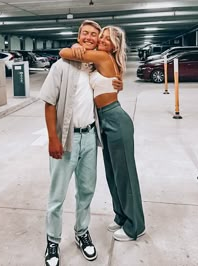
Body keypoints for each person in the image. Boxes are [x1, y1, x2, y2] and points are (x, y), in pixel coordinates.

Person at [40, 20, 123, 266]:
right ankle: (52, 242)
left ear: (97, 40)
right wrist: (53, 138)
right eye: (85, 33)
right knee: (57, 196)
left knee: (86, 191)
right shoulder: (61, 66)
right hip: (66, 139)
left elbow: (109, 87)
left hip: (90, 137)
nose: (89, 37)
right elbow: (49, 103)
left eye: (93, 35)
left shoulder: (94, 68)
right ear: (79, 36)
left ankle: (81, 233)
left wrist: (119, 83)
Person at [59, 25, 145, 242]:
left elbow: (63, 53)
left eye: (108, 38)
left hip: (115, 119)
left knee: (125, 174)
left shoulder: (102, 57)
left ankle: (136, 226)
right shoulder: (100, 60)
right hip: (103, 121)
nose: (103, 40)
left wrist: (75, 46)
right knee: (113, 173)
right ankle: (122, 216)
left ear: (115, 44)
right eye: (103, 37)